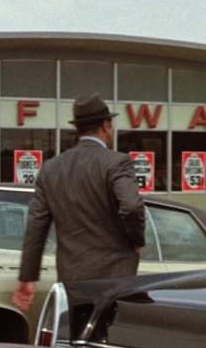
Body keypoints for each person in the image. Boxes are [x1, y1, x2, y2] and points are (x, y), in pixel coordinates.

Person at [13, 93, 145, 312]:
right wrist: (136, 240)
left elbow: (36, 226)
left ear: (79, 129)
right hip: (115, 276)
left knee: (76, 339)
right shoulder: (116, 162)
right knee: (110, 337)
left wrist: (27, 277)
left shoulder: (51, 168)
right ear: (105, 125)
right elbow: (131, 206)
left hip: (72, 276)